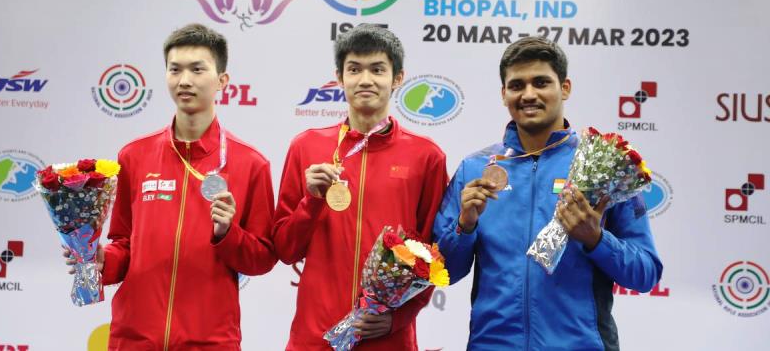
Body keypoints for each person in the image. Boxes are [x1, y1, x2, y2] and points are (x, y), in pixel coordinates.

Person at [433, 36, 663, 350]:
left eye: (541, 82)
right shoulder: (474, 170)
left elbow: (645, 273)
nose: (529, 94)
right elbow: (443, 272)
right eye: (517, 85)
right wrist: (465, 226)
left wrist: (596, 239)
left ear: (564, 87)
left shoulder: (604, 168)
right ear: (504, 94)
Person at [65, 23, 276, 350]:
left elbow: (262, 258)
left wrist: (226, 233)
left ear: (222, 81)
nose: (185, 80)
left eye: (197, 69)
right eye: (174, 70)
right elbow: (124, 243)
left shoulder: (251, 163)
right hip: (134, 339)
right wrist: (101, 260)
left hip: (209, 342)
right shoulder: (134, 156)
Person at [273, 24, 449, 350]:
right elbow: (285, 249)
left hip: (387, 339)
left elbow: (434, 256)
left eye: (377, 69)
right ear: (339, 77)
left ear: (397, 78)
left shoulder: (427, 156)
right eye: (354, 69)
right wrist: (310, 202)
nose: (365, 80)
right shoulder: (306, 147)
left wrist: (398, 318)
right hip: (315, 337)